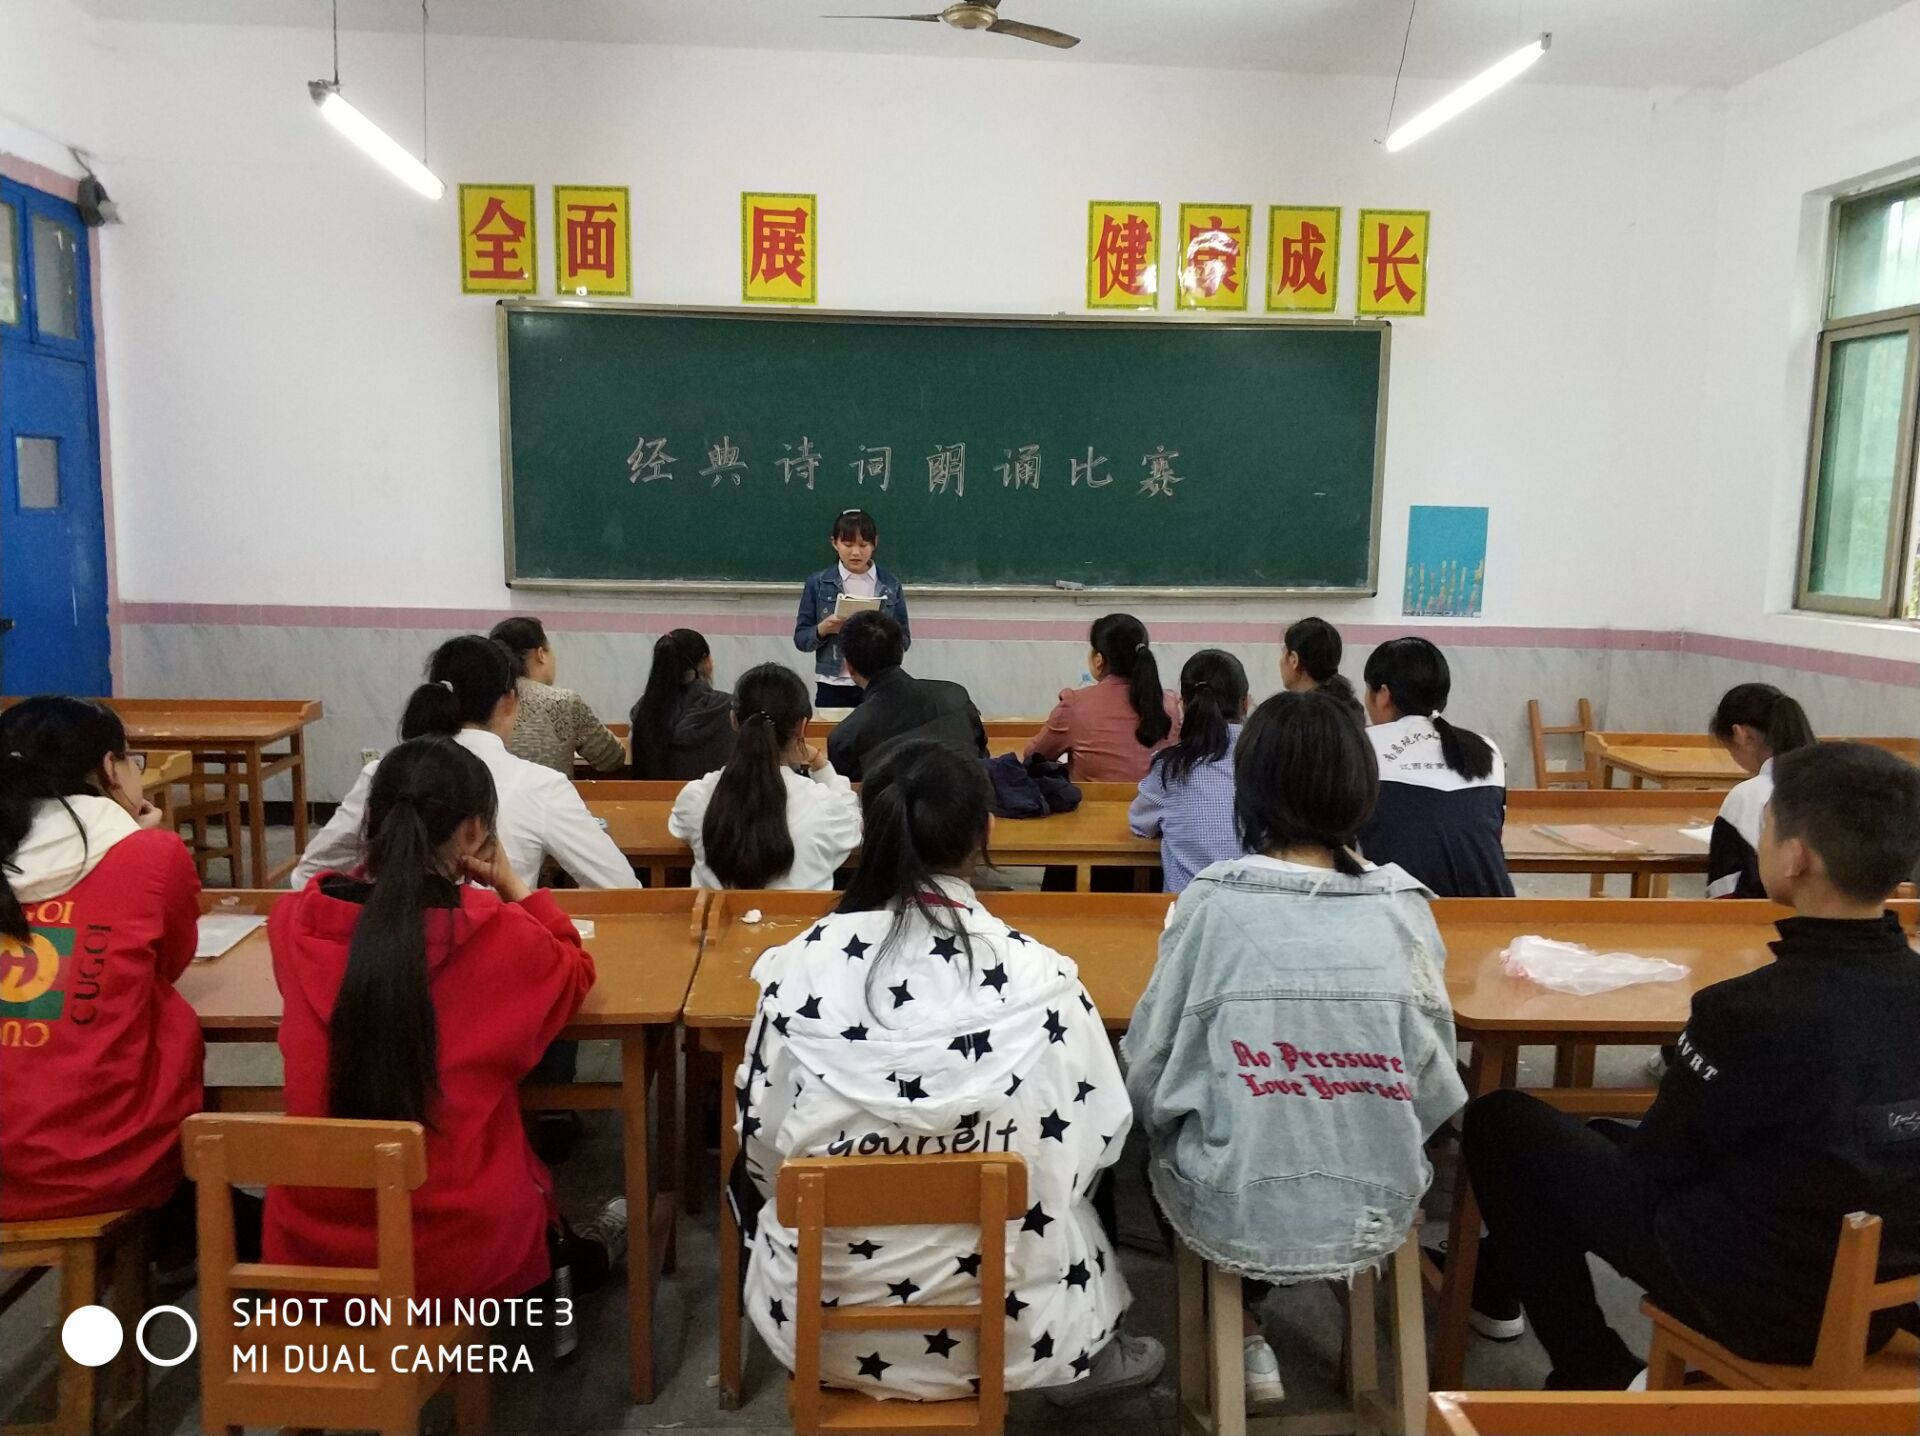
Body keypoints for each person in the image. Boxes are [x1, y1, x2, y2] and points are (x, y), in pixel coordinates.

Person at [1461, 742, 1920, 1389]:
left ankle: (1592, 1366)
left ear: (1796, 857)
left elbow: (1656, 1170)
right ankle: (1498, 1277)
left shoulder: (1745, 1008)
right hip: (1883, 1295)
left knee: (1504, 1123)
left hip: (1762, 1304)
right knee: (1595, 1135)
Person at [737, 740, 1163, 1404]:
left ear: (871, 826)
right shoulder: (1046, 982)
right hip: (1015, 1330)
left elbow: (761, 1155)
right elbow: (1098, 1145)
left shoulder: (793, 976)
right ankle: (1083, 1357)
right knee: (1066, 1199)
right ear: (983, 831)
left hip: (823, 1323)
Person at [1123, 690, 1466, 1406]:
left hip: (1236, 1200)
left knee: (1162, 1141)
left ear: (1249, 789)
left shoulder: (1212, 903)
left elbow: (1150, 1073)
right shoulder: (1404, 907)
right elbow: (1435, 1083)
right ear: (1363, 787)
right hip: (1378, 1195)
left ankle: (1245, 1331)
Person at [266, 736, 625, 1308]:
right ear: (475, 833)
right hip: (453, 1251)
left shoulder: (293, 923)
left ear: (372, 823)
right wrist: (515, 887)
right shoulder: (497, 935)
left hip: (310, 1252)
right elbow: (574, 972)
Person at [0, 696, 204, 1221]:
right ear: (111, 768)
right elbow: (170, 962)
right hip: (97, 1163)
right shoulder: (149, 855)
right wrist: (147, 841)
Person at [294, 635, 637, 891]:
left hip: (391, 955)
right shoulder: (542, 786)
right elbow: (621, 888)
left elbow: (308, 875)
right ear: (509, 702)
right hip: (497, 954)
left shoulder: (381, 773)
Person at [668, 663, 861, 890]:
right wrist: (821, 766)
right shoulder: (825, 807)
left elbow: (678, 828)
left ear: (733, 720)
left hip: (715, 914)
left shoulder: (696, 798)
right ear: (802, 727)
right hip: (802, 915)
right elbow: (854, 823)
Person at [1355, 637, 1514, 897]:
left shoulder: (1360, 745)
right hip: (1493, 909)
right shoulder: (1486, 748)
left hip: (1405, 909)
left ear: (1383, 695)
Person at [1128, 649, 1250, 893]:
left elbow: (1140, 824)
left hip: (1188, 910)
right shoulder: (1270, 760)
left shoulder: (1170, 768)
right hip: (1256, 908)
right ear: (1245, 703)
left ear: (1183, 705)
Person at [826, 611, 987, 782]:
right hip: (972, 795)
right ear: (901, 651)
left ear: (849, 666)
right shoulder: (956, 695)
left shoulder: (845, 738)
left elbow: (847, 794)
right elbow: (982, 758)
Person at [1024, 614, 1178, 783]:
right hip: (1156, 800)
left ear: (1098, 660)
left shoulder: (1074, 705)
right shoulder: (1170, 705)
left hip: (1091, 800)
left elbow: (1033, 757)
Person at [1705, 682, 1816, 898]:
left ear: (1742, 735)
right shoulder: (1843, 781)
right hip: (1858, 914)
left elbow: (1723, 893)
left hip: (1768, 915)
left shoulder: (1747, 795)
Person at [795, 508, 911, 711]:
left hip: (879, 684)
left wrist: (879, 633)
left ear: (875, 543)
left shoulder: (890, 584)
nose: (856, 552)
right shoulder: (818, 583)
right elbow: (801, 639)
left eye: (863, 545)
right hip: (833, 685)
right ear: (834, 543)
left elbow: (905, 640)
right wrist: (823, 629)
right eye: (848, 545)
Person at [488, 615, 625, 776]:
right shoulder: (563, 702)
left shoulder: (480, 700)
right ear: (541, 654)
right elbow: (611, 758)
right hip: (550, 792)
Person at [630, 628, 735, 782]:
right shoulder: (725, 707)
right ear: (705, 661)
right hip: (710, 795)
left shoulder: (643, 710)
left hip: (648, 795)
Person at [1279, 616, 1365, 725]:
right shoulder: (1349, 707)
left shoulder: (1296, 718)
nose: (1280, 661)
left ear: (1294, 660)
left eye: (1283, 651)